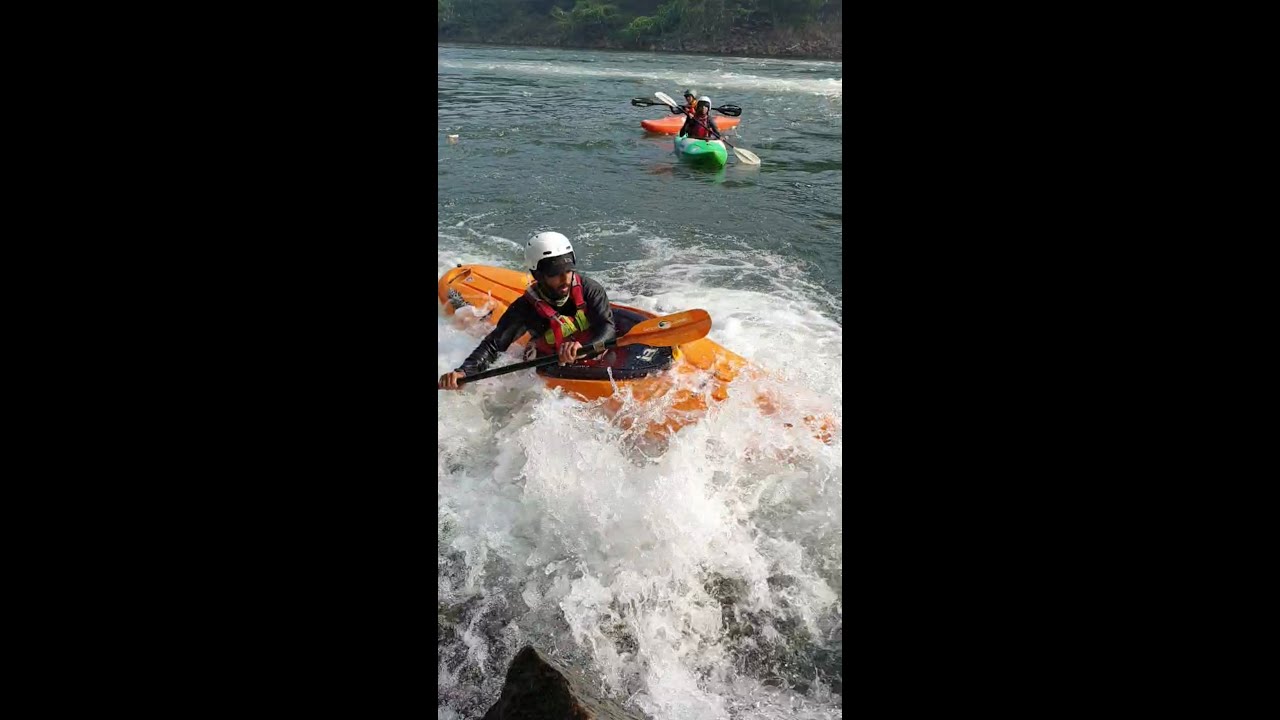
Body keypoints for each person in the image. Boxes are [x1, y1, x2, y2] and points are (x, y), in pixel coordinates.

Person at [438, 232, 617, 391]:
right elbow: (493, 345)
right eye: (555, 273)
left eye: (569, 270)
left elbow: (608, 329)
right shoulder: (526, 309)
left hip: (595, 353)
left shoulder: (590, 290)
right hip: (554, 363)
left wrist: (583, 349)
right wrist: (463, 372)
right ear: (538, 275)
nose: (565, 278)